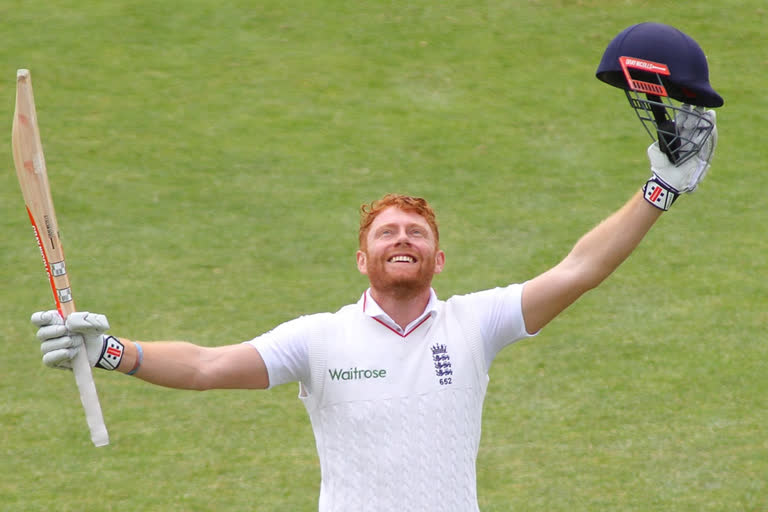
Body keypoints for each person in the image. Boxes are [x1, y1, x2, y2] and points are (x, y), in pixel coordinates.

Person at [31, 24, 721, 512]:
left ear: (437, 257)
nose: (402, 238)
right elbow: (210, 366)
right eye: (386, 231)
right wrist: (111, 352)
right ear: (361, 259)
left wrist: (658, 191)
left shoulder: (474, 324)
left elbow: (577, 271)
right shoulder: (319, 338)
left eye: (416, 232)